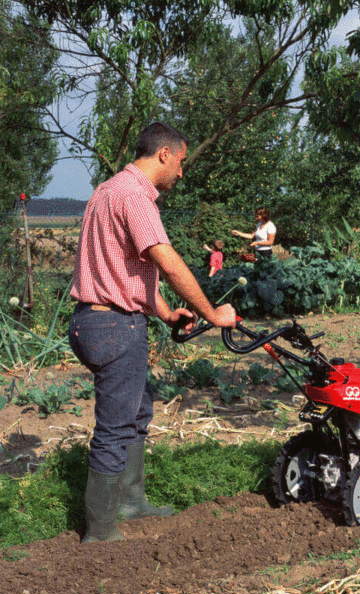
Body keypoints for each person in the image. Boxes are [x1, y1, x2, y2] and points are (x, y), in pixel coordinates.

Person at [68, 122, 236, 543]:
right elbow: (167, 261)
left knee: (137, 409)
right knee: (115, 426)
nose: (182, 173)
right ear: (164, 154)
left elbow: (123, 268)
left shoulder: (105, 192)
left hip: (91, 319)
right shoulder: (136, 197)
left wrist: (164, 312)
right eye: (181, 163)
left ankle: (130, 501)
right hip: (114, 325)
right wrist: (212, 313)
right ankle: (102, 531)